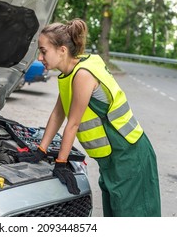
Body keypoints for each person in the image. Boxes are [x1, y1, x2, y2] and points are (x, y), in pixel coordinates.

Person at [17, 18, 161, 217]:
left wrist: (61, 162)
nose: (40, 57)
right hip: (111, 159)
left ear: (62, 50)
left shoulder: (83, 75)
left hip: (129, 155)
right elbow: (58, 114)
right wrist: (41, 150)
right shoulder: (68, 74)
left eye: (43, 51)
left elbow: (73, 123)